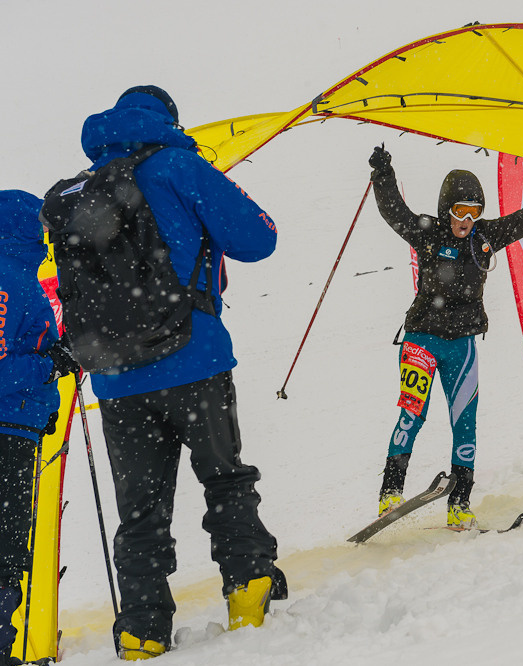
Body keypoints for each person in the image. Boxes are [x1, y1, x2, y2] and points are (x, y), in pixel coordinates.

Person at [59, 86, 285, 659]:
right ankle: (248, 590)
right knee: (225, 477)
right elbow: (259, 239)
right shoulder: (178, 164)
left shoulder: (78, 191)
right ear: (169, 120)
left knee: (139, 510)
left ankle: (141, 628)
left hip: (115, 380)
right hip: (193, 360)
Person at [368, 145, 523, 528]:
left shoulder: (486, 236)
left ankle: (459, 503)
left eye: (474, 212)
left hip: (463, 344)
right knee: (413, 414)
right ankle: (390, 492)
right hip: (422, 339)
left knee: (466, 423)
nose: (467, 220)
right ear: (447, 211)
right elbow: (394, 211)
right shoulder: (427, 233)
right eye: (460, 212)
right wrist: (383, 174)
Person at [0, 191, 78, 666]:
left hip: (20, 424)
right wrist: (50, 363)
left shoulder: (20, 273)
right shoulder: (10, 278)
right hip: (9, 427)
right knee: (7, 546)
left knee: (9, 546)